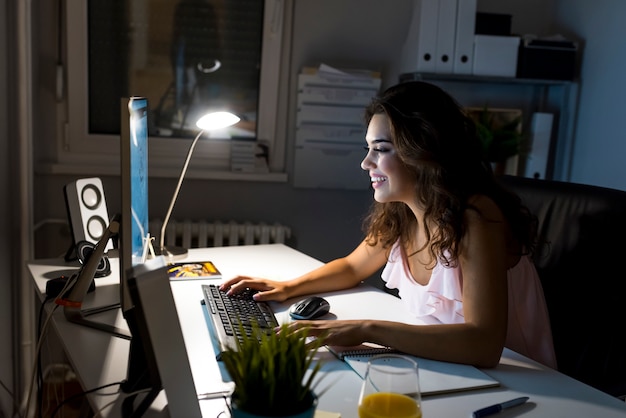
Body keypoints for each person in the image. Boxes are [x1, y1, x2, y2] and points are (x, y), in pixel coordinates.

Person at [220, 81, 557, 369]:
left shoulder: (476, 216)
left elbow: (484, 345)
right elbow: (353, 266)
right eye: (369, 149)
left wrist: (367, 329)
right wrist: (287, 288)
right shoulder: (402, 212)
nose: (366, 163)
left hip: (521, 383)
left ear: (424, 150)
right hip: (450, 366)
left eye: (380, 149)